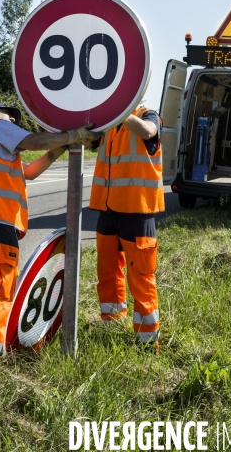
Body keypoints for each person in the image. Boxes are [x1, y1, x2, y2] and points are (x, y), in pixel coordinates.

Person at [0, 101, 99, 377]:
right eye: (9, 114)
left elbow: (28, 172)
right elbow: (32, 141)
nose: (12, 119)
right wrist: (70, 136)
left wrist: (57, 150)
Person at [89, 106, 164, 352]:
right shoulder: (109, 125)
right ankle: (111, 323)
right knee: (108, 271)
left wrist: (119, 112)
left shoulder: (147, 115)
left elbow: (148, 131)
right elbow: (89, 139)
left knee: (140, 275)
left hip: (137, 209)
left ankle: (147, 339)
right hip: (108, 209)